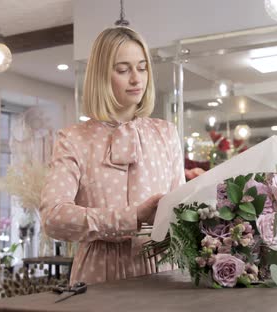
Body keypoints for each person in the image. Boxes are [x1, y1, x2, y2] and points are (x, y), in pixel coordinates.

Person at [39, 27, 185, 285]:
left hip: (163, 271)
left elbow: (181, 212)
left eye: (142, 68)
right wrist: (132, 217)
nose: (136, 79)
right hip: (99, 273)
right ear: (101, 75)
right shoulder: (74, 139)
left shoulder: (166, 134)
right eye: (123, 69)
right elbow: (53, 218)